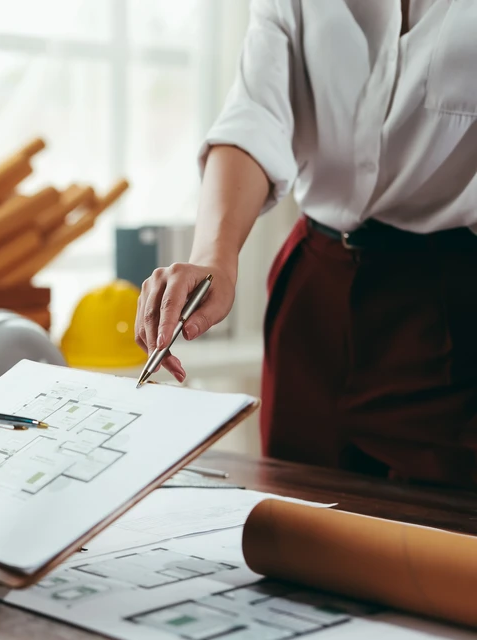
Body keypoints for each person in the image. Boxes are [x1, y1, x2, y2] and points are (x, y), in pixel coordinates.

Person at [135, 0, 477, 487]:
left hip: (448, 306)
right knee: (292, 520)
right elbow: (255, 117)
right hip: (314, 293)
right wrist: (213, 260)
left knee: (442, 542)